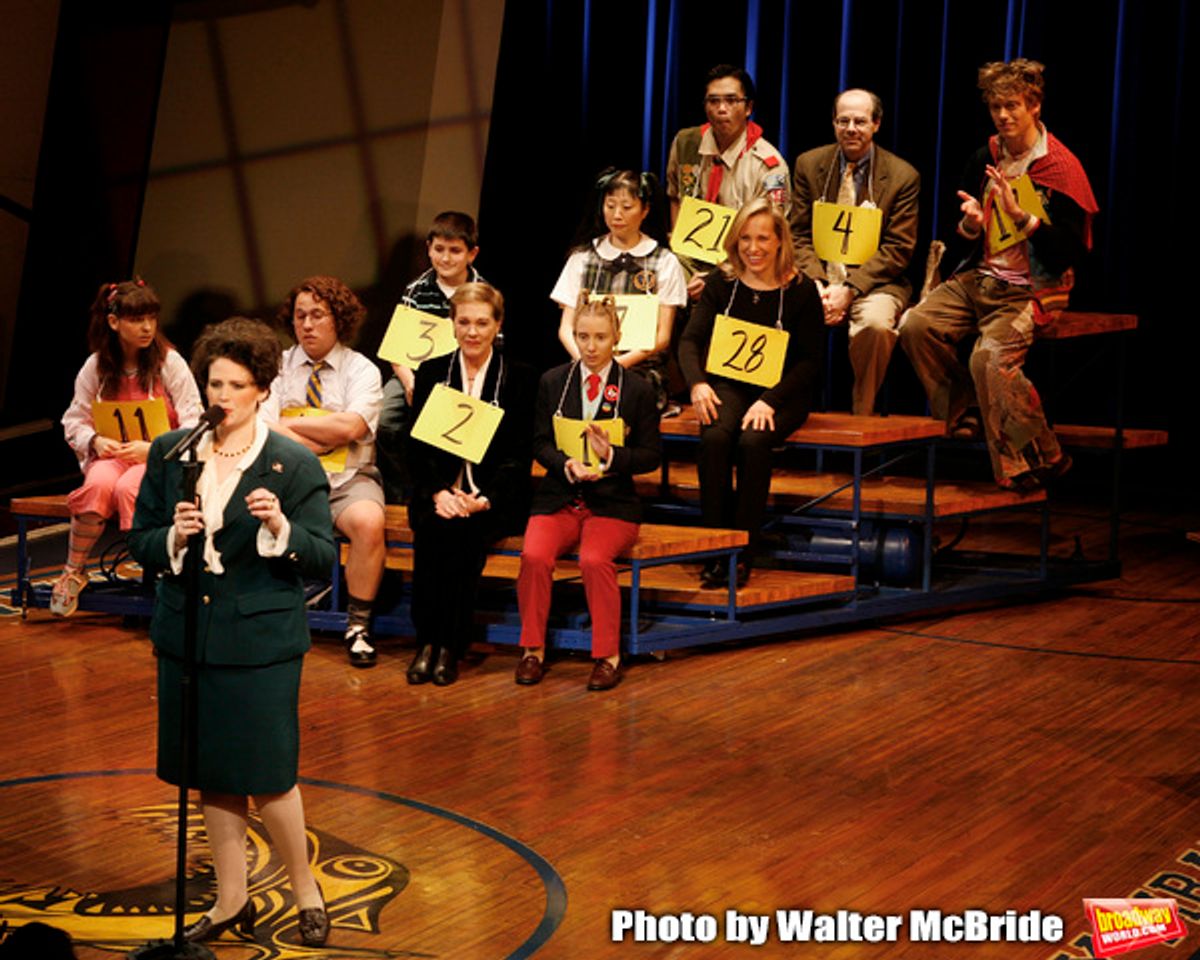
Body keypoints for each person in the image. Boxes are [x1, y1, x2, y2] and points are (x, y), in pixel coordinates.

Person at [128, 317, 335, 947]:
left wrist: (280, 530)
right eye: (213, 383)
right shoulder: (172, 453)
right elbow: (141, 541)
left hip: (260, 642)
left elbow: (323, 555)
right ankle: (230, 899)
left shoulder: (293, 464)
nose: (220, 396)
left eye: (234, 385)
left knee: (269, 773)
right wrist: (172, 537)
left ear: (261, 391)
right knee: (211, 770)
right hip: (188, 633)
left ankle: (306, 890)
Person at [899, 59, 1098, 491]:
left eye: (1012, 106)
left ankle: (1035, 457)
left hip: (1032, 288)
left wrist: (1022, 218)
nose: (1003, 116)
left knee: (988, 359)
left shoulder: (1060, 169)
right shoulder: (986, 157)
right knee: (915, 324)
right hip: (983, 277)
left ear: (1035, 106)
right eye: (995, 108)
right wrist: (971, 225)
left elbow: (1068, 252)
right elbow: (971, 234)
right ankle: (963, 409)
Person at [514, 295, 661, 691]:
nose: (591, 346)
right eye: (583, 336)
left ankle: (607, 656)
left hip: (612, 504)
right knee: (533, 555)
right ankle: (531, 650)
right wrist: (565, 464)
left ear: (617, 337)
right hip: (560, 496)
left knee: (595, 560)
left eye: (599, 337)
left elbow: (651, 456)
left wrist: (612, 455)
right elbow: (540, 441)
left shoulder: (637, 389)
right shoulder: (553, 381)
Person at [678, 198, 825, 586]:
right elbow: (690, 341)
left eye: (762, 238)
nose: (753, 248)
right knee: (714, 437)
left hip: (782, 392)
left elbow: (811, 361)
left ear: (780, 241)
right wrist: (698, 384)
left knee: (753, 441)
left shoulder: (800, 289)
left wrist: (770, 400)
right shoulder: (720, 283)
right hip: (729, 385)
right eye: (745, 238)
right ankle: (714, 546)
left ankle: (743, 550)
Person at [405, 283, 534, 685]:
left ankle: (450, 646)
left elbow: (518, 454)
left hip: (492, 498)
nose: (472, 332)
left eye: (481, 322)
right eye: (464, 322)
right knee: (432, 531)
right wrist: (439, 492)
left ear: (498, 325)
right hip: (439, 491)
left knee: (463, 537)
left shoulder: (518, 376)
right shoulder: (432, 372)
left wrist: (485, 498)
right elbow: (416, 448)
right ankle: (426, 641)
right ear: (453, 324)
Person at [51, 280, 203, 616]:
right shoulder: (97, 367)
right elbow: (74, 419)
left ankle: (162, 573)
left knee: (129, 486)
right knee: (100, 482)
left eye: (151, 317)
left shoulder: (169, 362)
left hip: (160, 460)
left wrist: (154, 450)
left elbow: (195, 422)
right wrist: (95, 440)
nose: (147, 327)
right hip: (114, 455)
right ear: (114, 322)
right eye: (137, 319)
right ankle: (73, 571)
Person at [260, 276, 387, 666]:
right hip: (288, 479)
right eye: (300, 316)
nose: (307, 325)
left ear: (339, 320)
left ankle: (358, 626)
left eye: (318, 315)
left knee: (368, 522)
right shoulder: (276, 367)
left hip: (348, 480)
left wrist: (291, 425)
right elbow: (261, 429)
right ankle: (265, 615)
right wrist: (319, 435)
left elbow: (351, 428)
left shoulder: (361, 370)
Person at [789, 88, 920, 414]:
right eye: (843, 120)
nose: (851, 128)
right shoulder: (809, 164)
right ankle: (784, 412)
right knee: (773, 315)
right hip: (816, 278)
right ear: (833, 123)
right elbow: (797, 234)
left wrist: (849, 290)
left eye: (860, 121)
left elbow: (898, 248)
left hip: (875, 283)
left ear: (876, 124)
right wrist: (818, 285)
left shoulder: (903, 176)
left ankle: (863, 412)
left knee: (875, 326)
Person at [551, 168, 686, 410]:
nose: (616, 214)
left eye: (626, 207)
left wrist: (614, 366)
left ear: (644, 210)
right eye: (610, 205)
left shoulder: (664, 261)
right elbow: (565, 328)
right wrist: (587, 361)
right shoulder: (582, 258)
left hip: (641, 369)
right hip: (585, 363)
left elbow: (662, 336)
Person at [377, 211, 487, 503]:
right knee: (387, 419)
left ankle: (458, 491)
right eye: (439, 249)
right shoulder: (415, 290)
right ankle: (399, 495)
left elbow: (492, 347)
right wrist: (410, 382)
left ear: (471, 254)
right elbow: (396, 350)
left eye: (455, 251)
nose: (446, 258)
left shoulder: (483, 294)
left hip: (464, 378)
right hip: (413, 375)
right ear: (428, 249)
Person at [666, 64, 790, 300]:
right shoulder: (686, 143)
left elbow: (770, 237)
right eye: (713, 101)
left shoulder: (769, 165)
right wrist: (678, 252)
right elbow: (675, 196)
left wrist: (718, 276)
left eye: (732, 100)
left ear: (748, 108)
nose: (722, 109)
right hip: (687, 256)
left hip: (741, 265)